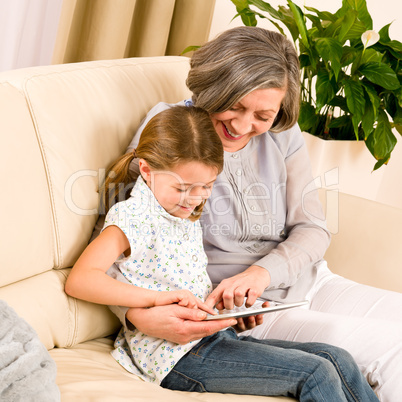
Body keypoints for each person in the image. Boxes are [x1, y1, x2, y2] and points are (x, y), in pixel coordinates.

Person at [65, 105, 378, 401]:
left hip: (212, 340)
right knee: (316, 372)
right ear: (146, 171)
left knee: (336, 357)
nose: (194, 198)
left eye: (207, 185)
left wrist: (228, 316)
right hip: (175, 358)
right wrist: (156, 299)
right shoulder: (132, 218)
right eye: (182, 187)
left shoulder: (181, 216)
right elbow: (80, 280)